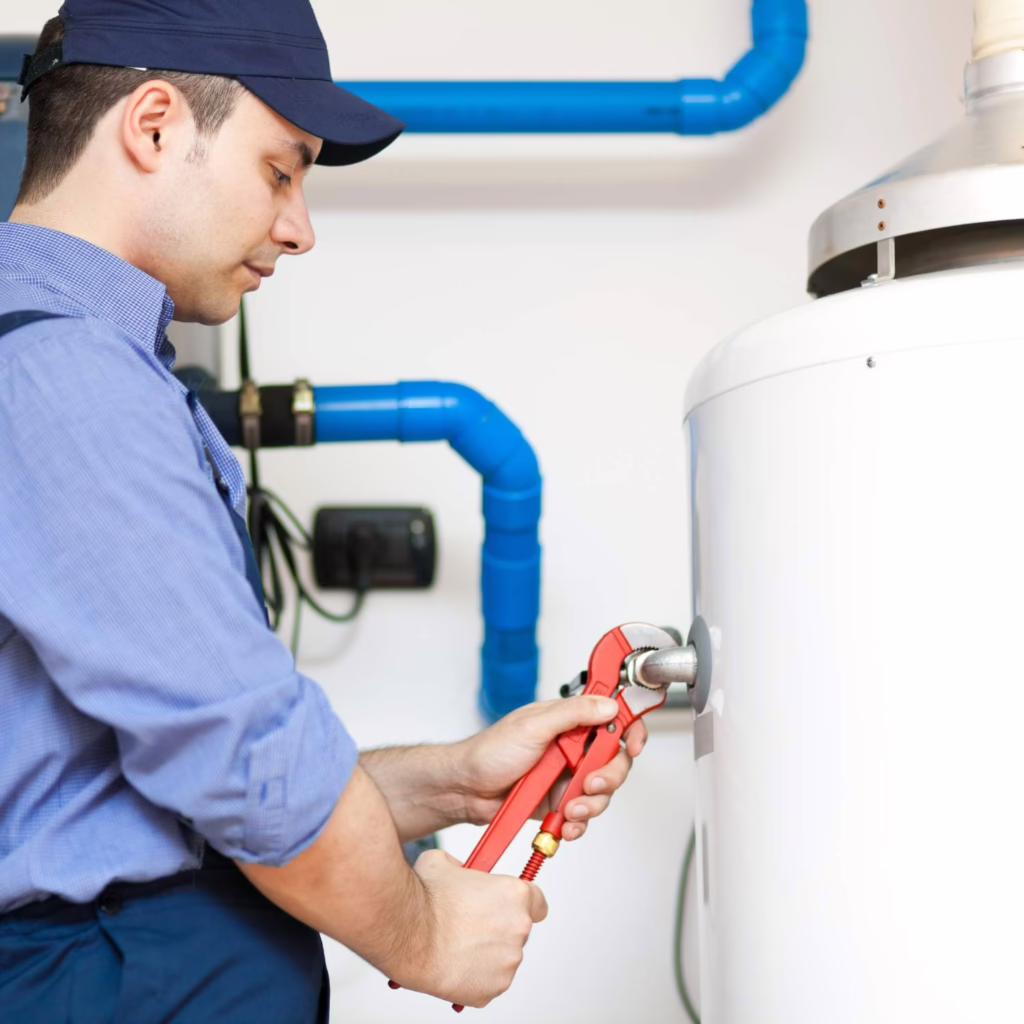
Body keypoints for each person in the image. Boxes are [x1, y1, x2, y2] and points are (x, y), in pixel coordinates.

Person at [0, 2, 648, 1021]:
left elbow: (141, 803)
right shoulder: (63, 373)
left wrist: (451, 781)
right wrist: (425, 932)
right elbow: (246, 764)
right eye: (280, 170)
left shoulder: (79, 362)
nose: (299, 227)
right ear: (155, 126)